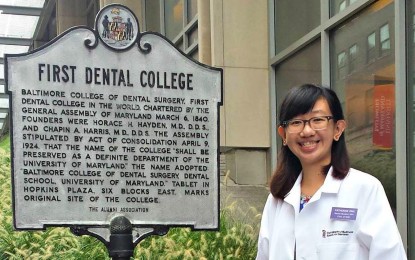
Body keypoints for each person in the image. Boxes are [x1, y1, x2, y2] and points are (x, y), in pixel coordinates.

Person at [256, 84, 407, 259]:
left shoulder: (365, 189)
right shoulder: (277, 200)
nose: (307, 131)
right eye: (296, 122)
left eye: (318, 120)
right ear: (283, 134)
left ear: (338, 129)